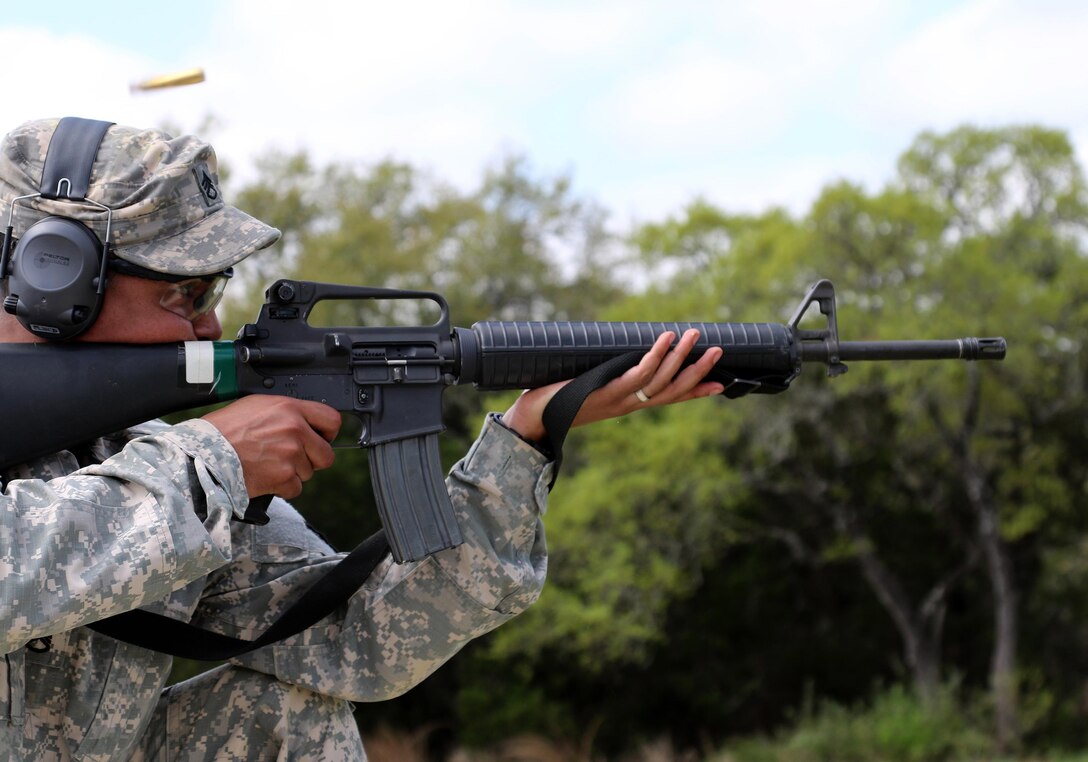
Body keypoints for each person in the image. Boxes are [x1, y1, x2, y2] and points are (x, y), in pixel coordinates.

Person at [0, 117, 725, 761]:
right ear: (54, 282)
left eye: (213, 291)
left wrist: (526, 437)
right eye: (184, 294)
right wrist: (212, 463)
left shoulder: (137, 455)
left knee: (278, 711)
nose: (211, 326)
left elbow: (363, 641)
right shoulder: (184, 471)